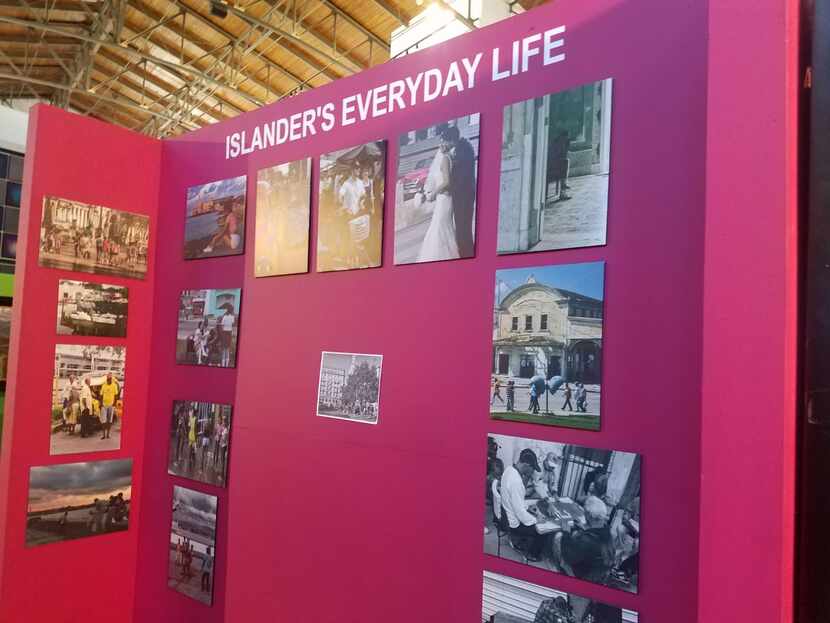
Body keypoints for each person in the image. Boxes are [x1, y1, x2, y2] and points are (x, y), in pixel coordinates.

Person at [500, 448, 548, 562]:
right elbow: (520, 513)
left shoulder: (509, 469)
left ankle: (520, 541)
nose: (532, 472)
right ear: (526, 464)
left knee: (530, 510)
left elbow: (517, 502)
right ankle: (532, 554)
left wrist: (529, 508)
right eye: (532, 468)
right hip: (512, 523)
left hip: (504, 515)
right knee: (543, 530)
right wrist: (537, 520)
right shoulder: (516, 481)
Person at [552, 496, 613, 585]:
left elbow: (569, 557)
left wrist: (566, 533)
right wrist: (583, 528)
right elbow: (593, 533)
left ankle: (562, 573)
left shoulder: (586, 540)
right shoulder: (607, 530)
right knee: (576, 533)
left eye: (585, 512)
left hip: (583, 576)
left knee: (558, 537)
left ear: (589, 514)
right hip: (598, 571)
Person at [418, 135, 460, 262]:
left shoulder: (446, 159)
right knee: (440, 227)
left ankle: (439, 257)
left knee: (440, 228)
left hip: (444, 199)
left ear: (448, 144)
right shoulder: (447, 158)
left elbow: (447, 181)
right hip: (444, 199)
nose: (441, 145)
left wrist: (434, 193)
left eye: (444, 142)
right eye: (440, 142)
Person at [443, 124, 477, 257]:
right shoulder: (462, 147)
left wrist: (449, 188)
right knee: (462, 228)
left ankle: (466, 255)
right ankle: (465, 252)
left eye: (447, 140)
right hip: (463, 195)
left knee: (463, 229)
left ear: (452, 140)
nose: (446, 143)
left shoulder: (464, 150)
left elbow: (462, 177)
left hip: (464, 196)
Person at [549, 130, 572, 202]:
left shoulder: (557, 142)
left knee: (565, 161)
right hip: (553, 168)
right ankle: (563, 189)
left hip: (554, 166)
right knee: (565, 162)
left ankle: (564, 183)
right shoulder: (560, 143)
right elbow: (561, 154)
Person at [99, 372, 120, 440]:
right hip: (104, 405)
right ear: (106, 379)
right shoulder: (104, 385)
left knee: (109, 421)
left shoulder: (114, 385)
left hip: (111, 405)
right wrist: (101, 404)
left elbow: (116, 395)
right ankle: (103, 435)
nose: (109, 380)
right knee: (103, 421)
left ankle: (108, 434)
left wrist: (114, 403)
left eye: (110, 378)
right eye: (108, 378)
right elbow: (101, 395)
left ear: (111, 379)